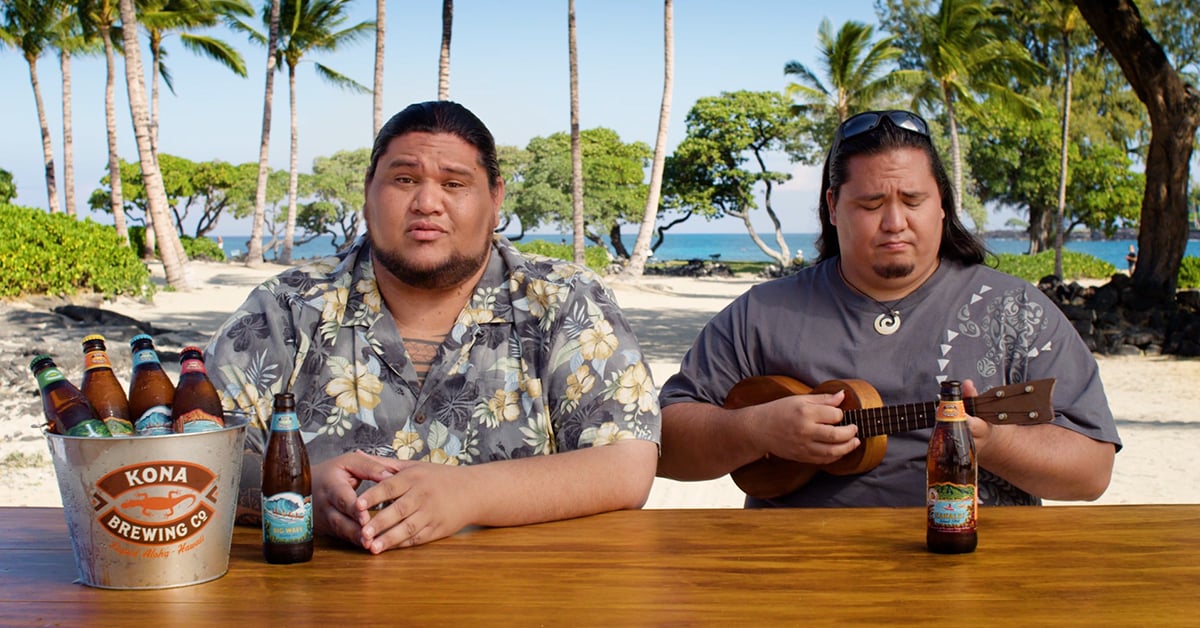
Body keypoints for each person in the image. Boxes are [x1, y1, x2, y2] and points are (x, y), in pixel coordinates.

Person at [206, 101, 660, 552]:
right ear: (368, 192)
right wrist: (301, 488)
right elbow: (191, 455)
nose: (426, 203)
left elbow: (627, 465)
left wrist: (471, 494)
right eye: (404, 180)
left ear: (495, 198)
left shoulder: (563, 301)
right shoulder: (287, 306)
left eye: (453, 183)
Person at [657, 110, 1120, 508]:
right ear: (833, 207)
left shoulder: (1016, 311)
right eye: (871, 204)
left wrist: (994, 442)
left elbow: (1092, 472)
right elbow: (661, 446)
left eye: (913, 200)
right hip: (800, 566)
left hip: (974, 562)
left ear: (942, 204)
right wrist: (754, 429)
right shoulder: (761, 312)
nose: (895, 223)